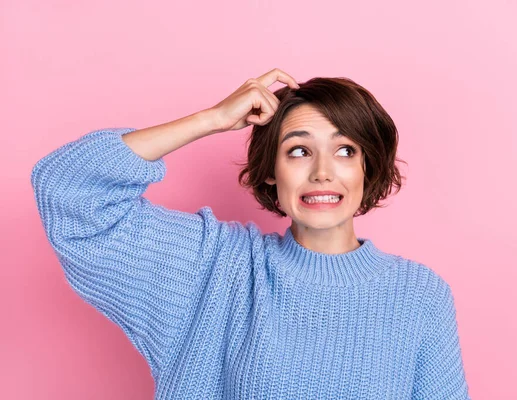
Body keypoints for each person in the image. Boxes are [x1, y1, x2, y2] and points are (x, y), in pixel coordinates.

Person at [31, 68, 470, 399]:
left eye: (344, 151)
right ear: (272, 174)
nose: (321, 172)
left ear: (366, 167)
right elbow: (69, 190)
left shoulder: (419, 295)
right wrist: (211, 119)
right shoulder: (217, 267)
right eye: (298, 151)